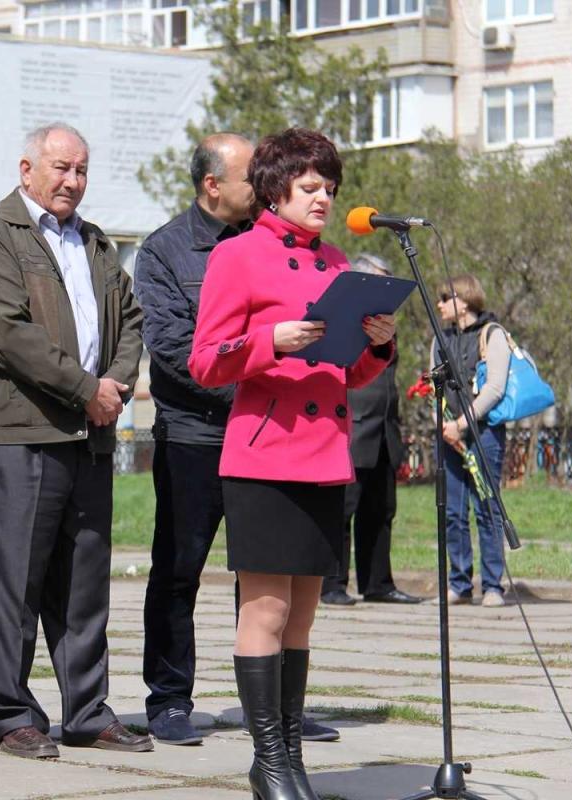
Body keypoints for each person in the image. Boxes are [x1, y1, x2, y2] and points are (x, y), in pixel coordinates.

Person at [189, 128, 396, 800]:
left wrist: (377, 348)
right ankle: (271, 761)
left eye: (331, 190)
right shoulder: (238, 257)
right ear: (276, 188)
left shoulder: (338, 262)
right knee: (267, 613)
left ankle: (287, 762)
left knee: (303, 619)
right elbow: (204, 360)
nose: (324, 200)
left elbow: (349, 372)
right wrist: (266, 339)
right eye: (311, 188)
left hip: (323, 458)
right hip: (263, 455)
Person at [0, 123, 148, 760]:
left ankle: (88, 711)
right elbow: (11, 338)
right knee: (17, 581)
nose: (72, 181)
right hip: (24, 435)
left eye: (82, 170)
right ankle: (11, 712)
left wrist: (116, 385)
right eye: (61, 167)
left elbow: (130, 322)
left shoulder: (95, 244)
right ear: (26, 169)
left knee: (85, 582)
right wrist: (84, 389)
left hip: (89, 436)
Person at [134, 133, 254, 745]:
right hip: (194, 436)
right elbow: (176, 352)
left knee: (267, 571)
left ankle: (270, 705)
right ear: (213, 185)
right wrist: (254, 388)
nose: (264, 187)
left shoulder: (268, 241)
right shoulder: (163, 253)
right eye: (250, 176)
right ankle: (170, 700)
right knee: (179, 571)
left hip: (265, 438)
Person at [320, 254, 422, 607]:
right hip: (353, 427)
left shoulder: (385, 328)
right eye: (380, 282)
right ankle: (332, 584)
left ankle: (378, 582)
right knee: (342, 511)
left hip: (383, 430)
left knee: (381, 511)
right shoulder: (346, 322)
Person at [431, 274, 510, 608]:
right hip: (449, 434)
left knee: (487, 508)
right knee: (452, 511)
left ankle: (493, 585)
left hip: (484, 432)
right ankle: (459, 584)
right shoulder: (439, 339)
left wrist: (463, 423)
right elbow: (432, 385)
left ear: (463, 300)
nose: (439, 304)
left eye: (445, 297)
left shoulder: (493, 334)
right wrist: (444, 425)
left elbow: (495, 387)